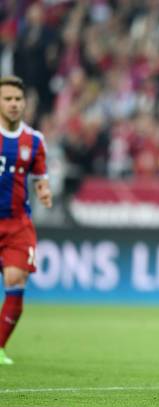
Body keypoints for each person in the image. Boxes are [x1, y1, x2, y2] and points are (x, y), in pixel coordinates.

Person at [0, 75, 52, 365]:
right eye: (7, 99)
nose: (14, 104)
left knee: (16, 279)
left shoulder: (33, 140)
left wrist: (44, 192)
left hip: (18, 223)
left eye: (18, 99)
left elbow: (39, 178)